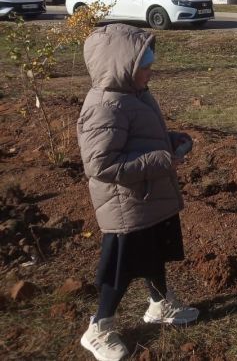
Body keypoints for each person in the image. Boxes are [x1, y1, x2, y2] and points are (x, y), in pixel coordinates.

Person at [77, 24, 199, 361]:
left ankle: (160, 305)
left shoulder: (135, 95)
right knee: (123, 266)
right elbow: (100, 165)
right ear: (121, 67)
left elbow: (141, 140)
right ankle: (98, 327)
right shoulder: (105, 107)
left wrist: (171, 141)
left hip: (146, 198)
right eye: (143, 65)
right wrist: (161, 159)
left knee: (153, 254)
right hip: (125, 206)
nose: (150, 70)